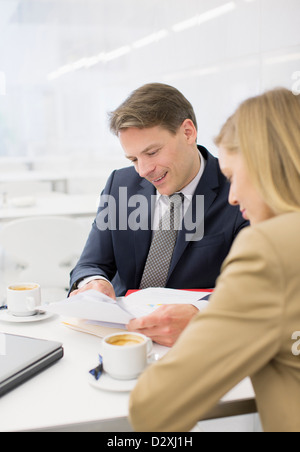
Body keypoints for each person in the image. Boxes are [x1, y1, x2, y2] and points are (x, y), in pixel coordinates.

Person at [128, 87, 300, 432]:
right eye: (133, 160)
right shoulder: (122, 187)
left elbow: (153, 409)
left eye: (234, 176)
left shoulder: (271, 247)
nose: (233, 197)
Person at [69, 83, 248, 346]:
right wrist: (94, 283)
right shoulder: (121, 184)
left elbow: (252, 288)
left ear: (188, 132)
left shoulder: (237, 190)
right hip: (118, 336)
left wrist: (202, 315)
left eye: (152, 152)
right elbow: (89, 264)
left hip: (192, 342)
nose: (143, 170)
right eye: (133, 159)